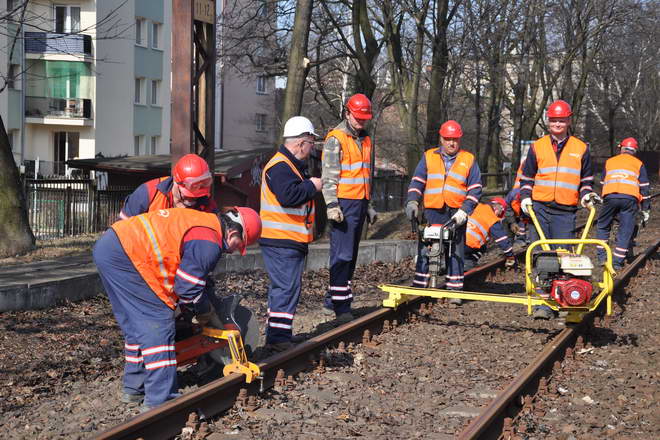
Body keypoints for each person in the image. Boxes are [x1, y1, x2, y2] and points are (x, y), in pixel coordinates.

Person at [93, 207, 261, 410]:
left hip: (110, 247)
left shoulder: (205, 223)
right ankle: (160, 402)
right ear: (233, 233)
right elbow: (187, 287)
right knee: (158, 323)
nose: (235, 250)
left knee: (135, 326)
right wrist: (203, 309)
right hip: (128, 255)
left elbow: (196, 276)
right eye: (239, 245)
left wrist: (205, 301)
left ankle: (134, 388)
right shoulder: (210, 242)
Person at [518, 99, 599, 319]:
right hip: (540, 208)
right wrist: (525, 198)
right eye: (554, 120)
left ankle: (565, 298)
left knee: (564, 255)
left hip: (565, 210)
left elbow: (586, 181)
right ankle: (543, 304)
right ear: (548, 121)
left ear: (569, 121)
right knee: (541, 254)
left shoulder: (581, 148)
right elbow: (526, 178)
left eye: (561, 120)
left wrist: (587, 196)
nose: (557, 124)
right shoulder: (537, 146)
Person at [260, 116, 322, 352]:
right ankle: (277, 339)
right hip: (281, 240)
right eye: (310, 143)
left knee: (285, 288)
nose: (311, 148)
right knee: (286, 288)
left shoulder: (288, 166)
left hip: (286, 240)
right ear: (300, 143)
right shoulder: (280, 167)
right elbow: (288, 196)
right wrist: (312, 186)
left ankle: (280, 334)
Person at [405, 120, 482, 305]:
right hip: (433, 210)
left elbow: (476, 188)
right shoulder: (429, 157)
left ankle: (455, 290)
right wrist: (413, 202)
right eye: (448, 139)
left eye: (455, 139)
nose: (451, 143)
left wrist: (465, 211)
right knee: (426, 247)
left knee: (456, 250)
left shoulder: (468, 159)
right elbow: (417, 181)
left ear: (459, 139)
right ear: (441, 138)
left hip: (456, 212)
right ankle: (420, 285)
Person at [321, 93, 378, 323]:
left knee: (350, 257)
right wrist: (332, 204)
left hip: (360, 203)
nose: (361, 122)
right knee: (342, 256)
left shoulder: (365, 140)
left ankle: (332, 299)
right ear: (347, 113)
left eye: (364, 118)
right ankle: (341, 307)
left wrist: (369, 204)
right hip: (343, 205)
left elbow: (366, 175)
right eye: (358, 118)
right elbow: (329, 176)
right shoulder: (336, 139)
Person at [595, 137, 651, 270]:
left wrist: (604, 198)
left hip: (610, 197)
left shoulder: (610, 161)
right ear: (634, 150)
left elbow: (603, 183)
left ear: (621, 148)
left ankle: (602, 257)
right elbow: (644, 187)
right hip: (630, 199)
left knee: (603, 226)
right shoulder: (638, 164)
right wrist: (645, 208)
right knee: (625, 230)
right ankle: (617, 262)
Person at [119, 153, 217, 219]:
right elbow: (122, 230)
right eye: (188, 196)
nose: (193, 200)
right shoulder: (148, 193)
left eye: (197, 197)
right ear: (176, 182)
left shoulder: (206, 203)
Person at [464, 198, 515, 271]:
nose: (498, 217)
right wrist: (510, 255)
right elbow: (502, 238)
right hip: (468, 244)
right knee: (483, 247)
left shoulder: (478, 206)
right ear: (499, 207)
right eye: (500, 214)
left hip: (457, 240)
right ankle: (467, 262)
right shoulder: (491, 215)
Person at [505, 164, 530, 245]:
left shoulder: (531, 198)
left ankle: (524, 240)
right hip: (516, 213)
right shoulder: (512, 196)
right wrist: (512, 222)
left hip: (527, 212)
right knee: (509, 224)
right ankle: (512, 244)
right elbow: (507, 209)